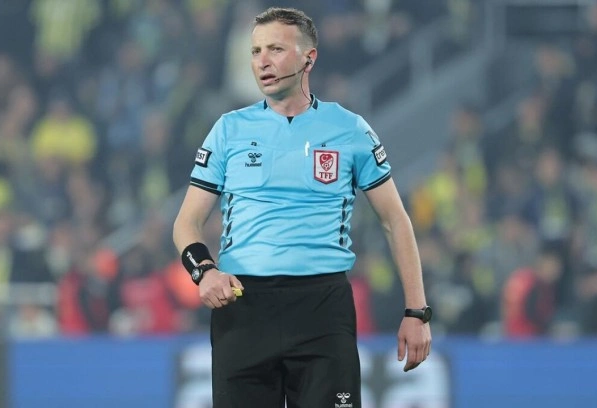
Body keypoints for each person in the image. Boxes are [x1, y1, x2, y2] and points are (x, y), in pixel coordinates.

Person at [172, 7, 431, 407]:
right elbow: (186, 222)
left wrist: (417, 311)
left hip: (322, 310)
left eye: (275, 49)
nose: (262, 61)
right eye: (255, 51)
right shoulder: (228, 130)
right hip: (243, 309)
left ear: (309, 58)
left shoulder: (350, 129)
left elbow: (395, 220)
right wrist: (204, 271)